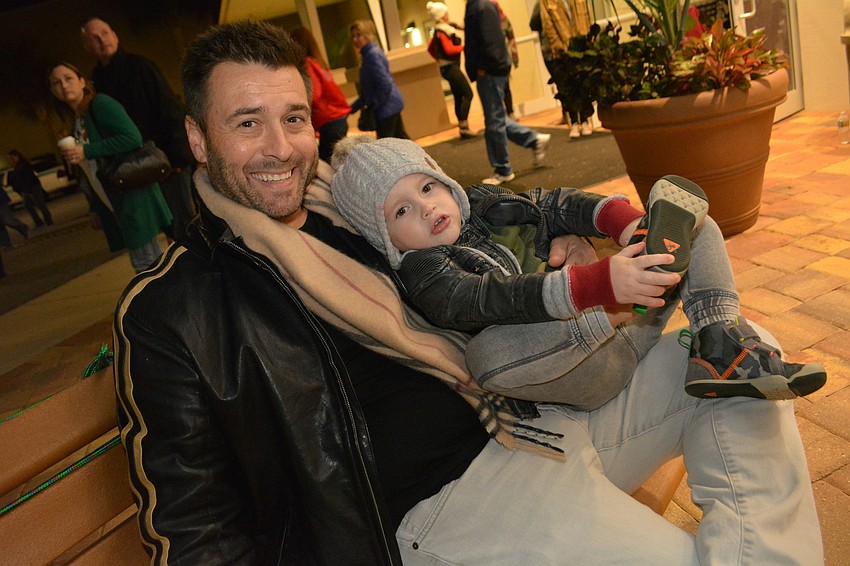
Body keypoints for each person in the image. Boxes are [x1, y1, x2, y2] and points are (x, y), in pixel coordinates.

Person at [114, 20, 823, 564]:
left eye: (293, 118)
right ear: (197, 138)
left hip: (528, 416)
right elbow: (190, 521)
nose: (279, 147)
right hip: (447, 501)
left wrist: (548, 256)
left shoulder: (355, 206)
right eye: (247, 123)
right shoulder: (174, 311)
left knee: (742, 360)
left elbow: (470, 267)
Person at [332, 135, 827, 408]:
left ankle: (721, 344)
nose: (424, 209)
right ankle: (625, 305)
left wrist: (625, 224)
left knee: (695, 227)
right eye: (399, 213)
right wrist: (598, 287)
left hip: (636, 315)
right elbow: (484, 300)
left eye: (426, 188)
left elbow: (555, 202)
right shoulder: (425, 273)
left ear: (443, 181)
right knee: (487, 355)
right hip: (578, 367)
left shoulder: (482, 202)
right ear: (386, 240)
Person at [48, 62, 172, 273]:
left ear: (81, 81)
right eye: (56, 83)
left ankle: (169, 304)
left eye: (68, 78)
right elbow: (90, 170)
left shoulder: (101, 104)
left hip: (132, 193)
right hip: (115, 198)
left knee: (146, 264)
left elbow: (132, 138)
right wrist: (95, 208)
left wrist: (85, 151)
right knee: (151, 262)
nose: (63, 85)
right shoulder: (79, 119)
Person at [81, 17, 196, 242]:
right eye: (94, 38)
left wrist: (178, 158)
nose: (102, 40)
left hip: (166, 160)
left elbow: (168, 107)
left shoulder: (140, 66)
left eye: (105, 33)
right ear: (88, 48)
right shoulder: (97, 81)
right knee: (169, 229)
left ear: (115, 35)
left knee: (185, 224)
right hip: (136, 168)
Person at [464, 0, 551, 185]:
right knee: (497, 118)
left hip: (490, 71)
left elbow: (490, 40)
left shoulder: (482, 6)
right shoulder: (480, 5)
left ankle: (503, 169)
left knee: (494, 121)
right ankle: (534, 140)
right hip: (490, 70)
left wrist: (484, 67)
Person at [530, 0, 594, 136]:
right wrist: (558, 48)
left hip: (580, 44)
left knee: (582, 84)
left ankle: (585, 120)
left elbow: (586, 16)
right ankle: (574, 122)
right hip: (562, 49)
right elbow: (548, 26)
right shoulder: (546, 2)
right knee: (568, 86)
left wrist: (589, 41)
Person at [289, 26, 352, 163]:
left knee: (326, 164)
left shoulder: (307, 64)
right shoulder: (318, 62)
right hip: (337, 118)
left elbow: (314, 94)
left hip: (330, 121)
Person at [348, 20, 410, 139]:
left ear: (367, 35)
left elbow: (384, 85)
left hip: (386, 108)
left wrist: (373, 105)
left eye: (358, 35)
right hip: (391, 105)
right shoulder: (371, 53)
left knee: (387, 148)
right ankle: (419, 157)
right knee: (401, 141)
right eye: (353, 36)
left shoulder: (371, 55)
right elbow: (370, 91)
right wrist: (351, 108)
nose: (355, 40)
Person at [426, 1, 477, 138]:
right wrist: (464, 47)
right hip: (450, 67)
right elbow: (449, 49)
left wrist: (438, 59)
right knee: (468, 94)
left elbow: (430, 48)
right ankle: (464, 125)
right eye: (446, 13)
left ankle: (463, 128)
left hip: (446, 68)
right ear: (442, 15)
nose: (448, 15)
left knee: (458, 96)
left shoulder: (440, 30)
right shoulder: (443, 31)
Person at [7, 150, 54, 228]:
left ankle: (48, 220)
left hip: (33, 187)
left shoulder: (24, 165)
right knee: (28, 206)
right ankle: (38, 222)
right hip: (25, 190)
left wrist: (28, 188)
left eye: (12, 158)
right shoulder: (17, 167)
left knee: (39, 204)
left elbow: (28, 177)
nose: (12, 160)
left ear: (17, 156)